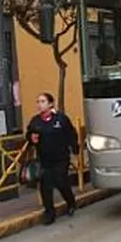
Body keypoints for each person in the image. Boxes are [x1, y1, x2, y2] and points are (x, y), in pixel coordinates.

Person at [25, 92, 79, 225]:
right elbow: (29, 135)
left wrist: (74, 148)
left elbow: (71, 134)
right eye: (38, 101)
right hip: (44, 159)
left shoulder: (60, 119)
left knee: (61, 181)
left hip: (61, 158)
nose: (39, 104)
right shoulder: (35, 121)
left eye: (43, 101)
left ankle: (71, 202)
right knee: (46, 186)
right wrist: (31, 138)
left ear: (50, 104)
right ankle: (49, 213)